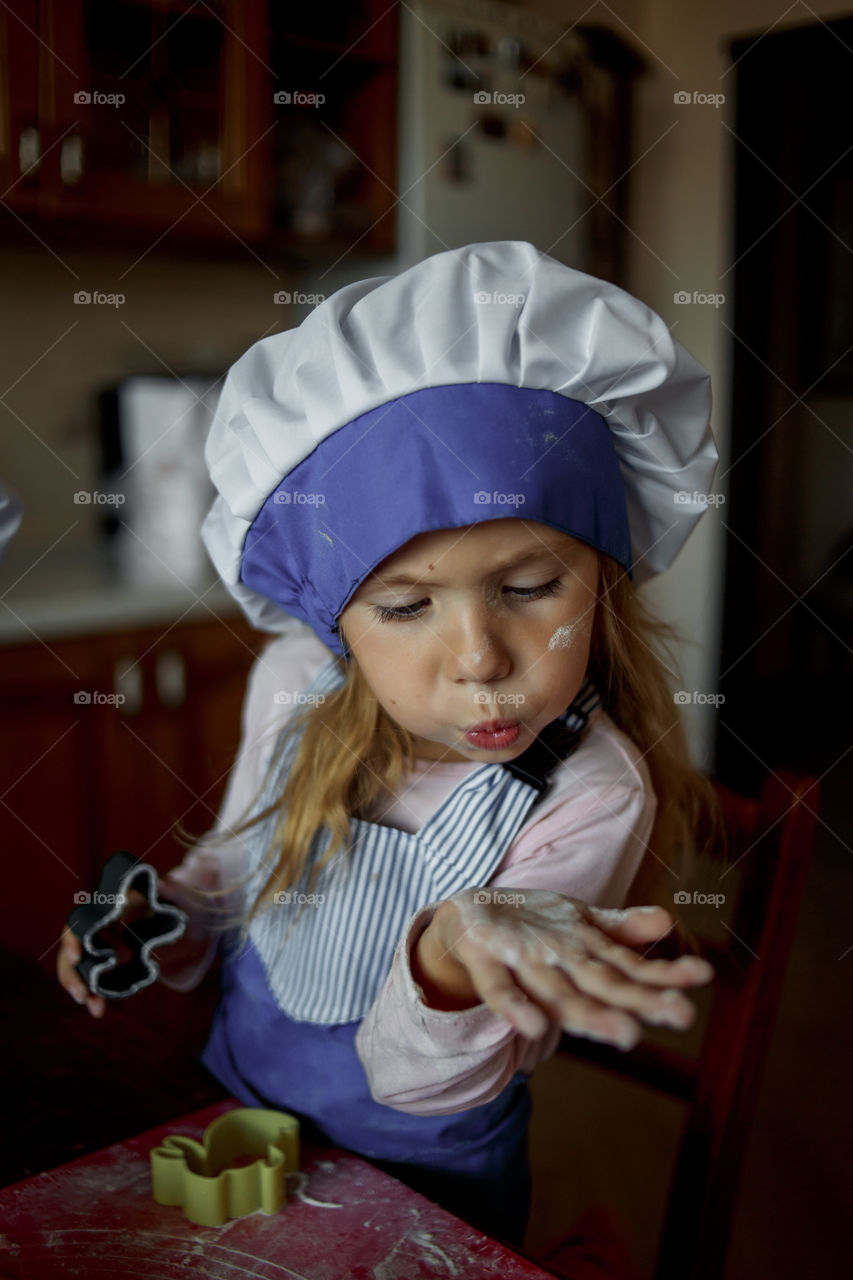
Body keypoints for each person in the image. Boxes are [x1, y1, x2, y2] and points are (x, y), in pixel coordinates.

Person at [58, 241, 725, 1249]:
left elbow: (428, 1079)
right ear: (332, 622)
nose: (478, 658)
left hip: (426, 1179)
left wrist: (452, 953)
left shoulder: (591, 788)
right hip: (233, 1108)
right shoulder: (290, 686)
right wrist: (160, 924)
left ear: (605, 576)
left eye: (531, 587)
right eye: (407, 604)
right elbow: (234, 885)